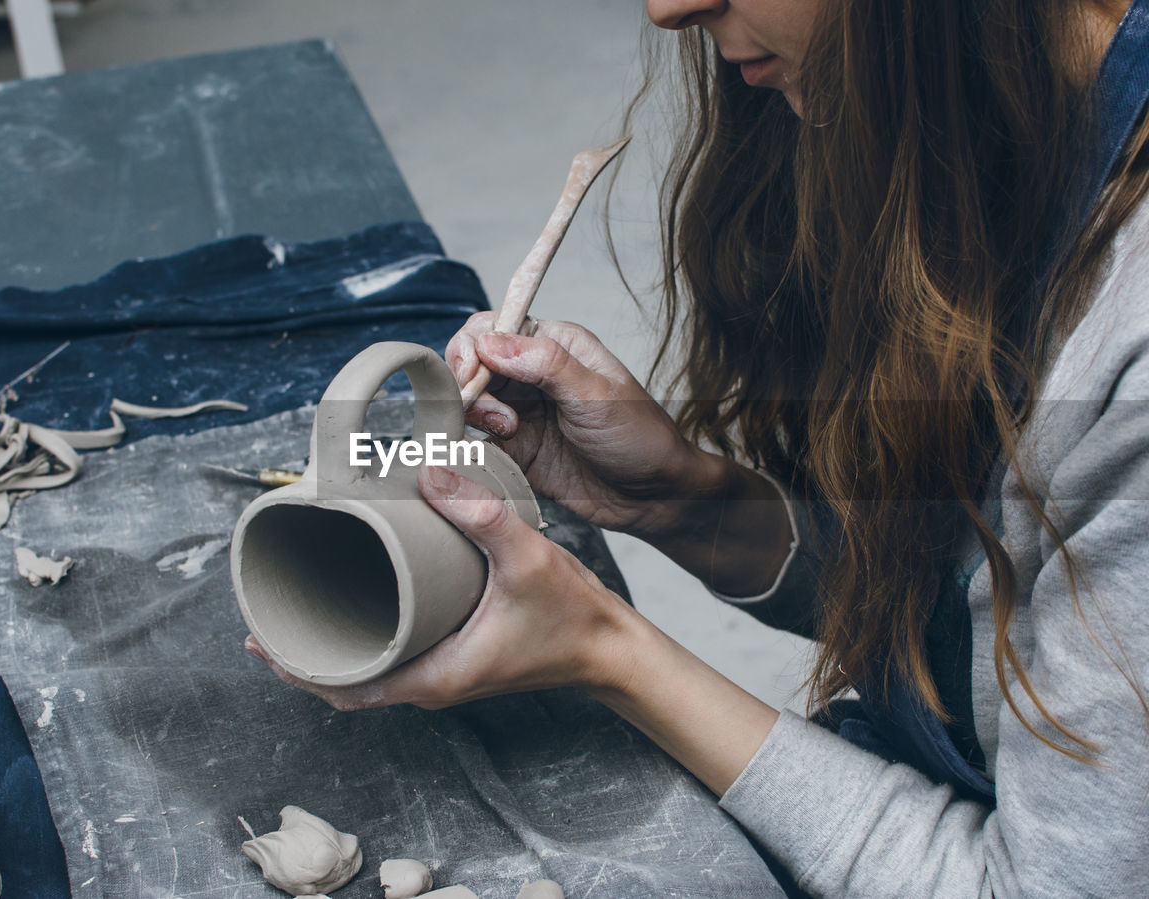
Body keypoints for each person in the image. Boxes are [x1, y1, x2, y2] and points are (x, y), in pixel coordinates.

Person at [248, 0, 1149, 893]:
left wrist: (607, 649)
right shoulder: (997, 134)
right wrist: (684, 503)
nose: (668, 8)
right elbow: (993, 603)